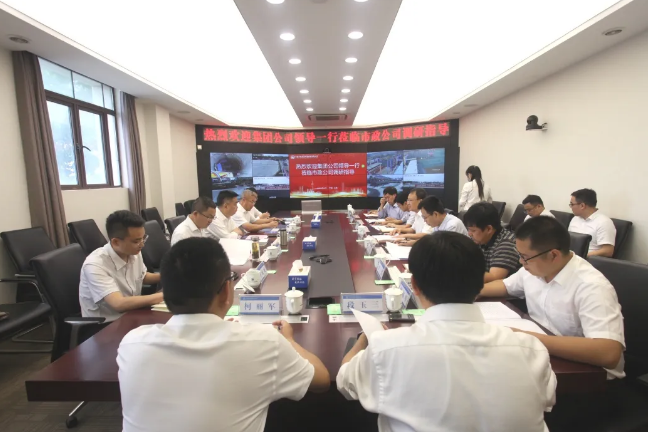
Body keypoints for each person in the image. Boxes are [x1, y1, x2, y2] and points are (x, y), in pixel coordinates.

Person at [337, 232, 555, 432]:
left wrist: (364, 341)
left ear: (414, 285)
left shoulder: (386, 348)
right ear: (480, 283)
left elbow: (345, 382)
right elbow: (547, 401)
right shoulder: (532, 350)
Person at [117, 238, 330, 432]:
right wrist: (289, 340)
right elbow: (321, 380)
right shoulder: (263, 342)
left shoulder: (132, 344)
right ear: (227, 291)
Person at [480, 216, 624, 378]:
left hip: (587, 376)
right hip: (545, 354)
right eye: (519, 255)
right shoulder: (535, 268)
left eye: (525, 257)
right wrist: (470, 291)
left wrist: (525, 337)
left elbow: (608, 353)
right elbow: (505, 286)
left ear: (553, 255)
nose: (521, 262)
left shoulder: (592, 286)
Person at [79, 211, 163, 322]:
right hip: (106, 325)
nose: (142, 244)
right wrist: (165, 296)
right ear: (116, 242)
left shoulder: (133, 251)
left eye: (143, 238)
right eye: (136, 241)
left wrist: (169, 275)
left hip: (133, 314)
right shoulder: (95, 264)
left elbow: (142, 277)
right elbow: (118, 304)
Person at [463, 202, 519, 282]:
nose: (469, 234)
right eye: (468, 229)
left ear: (489, 229)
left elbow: (494, 277)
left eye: (473, 230)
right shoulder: (480, 238)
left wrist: (459, 272)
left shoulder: (507, 243)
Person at [568, 189, 616, 257]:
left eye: (572, 204)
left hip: (588, 260)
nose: (571, 207)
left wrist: (581, 256)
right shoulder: (575, 219)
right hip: (571, 257)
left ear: (582, 206)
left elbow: (608, 251)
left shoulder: (604, 222)